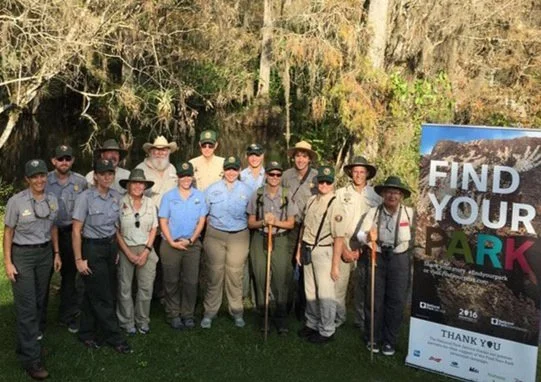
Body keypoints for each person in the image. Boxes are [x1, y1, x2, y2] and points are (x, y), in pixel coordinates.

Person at [3, 159, 61, 380]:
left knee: (40, 302)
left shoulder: (52, 199)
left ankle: (27, 346)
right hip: (23, 256)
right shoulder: (16, 202)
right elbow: (8, 232)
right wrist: (8, 263)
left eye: (42, 175)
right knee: (27, 307)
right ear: (27, 179)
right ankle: (32, 360)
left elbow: (53, 226)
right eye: (34, 176)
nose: (39, 180)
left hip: (44, 254)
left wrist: (56, 253)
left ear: (47, 177)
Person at [73, 158, 132, 353]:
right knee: (104, 296)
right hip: (92, 248)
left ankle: (86, 332)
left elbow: (114, 227)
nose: (107, 177)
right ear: (95, 176)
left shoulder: (115, 197)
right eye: (103, 173)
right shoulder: (85, 198)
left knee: (94, 293)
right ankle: (115, 337)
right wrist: (78, 259)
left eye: (110, 173)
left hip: (109, 248)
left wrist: (114, 249)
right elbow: (76, 231)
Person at [355, 176, 414, 356]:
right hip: (377, 257)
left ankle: (389, 341)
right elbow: (359, 235)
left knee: (395, 301)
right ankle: (372, 336)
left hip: (400, 259)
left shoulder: (410, 214)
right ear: (382, 194)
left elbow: (420, 236)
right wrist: (367, 237)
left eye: (396, 192)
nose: (392, 196)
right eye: (389, 192)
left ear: (401, 195)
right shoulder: (373, 213)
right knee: (374, 299)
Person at [296, 165, 346, 344]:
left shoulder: (336, 204)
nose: (324, 184)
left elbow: (339, 237)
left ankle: (327, 330)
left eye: (328, 182)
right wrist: (298, 249)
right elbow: (304, 227)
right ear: (316, 183)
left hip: (324, 250)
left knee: (325, 292)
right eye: (321, 181)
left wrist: (335, 265)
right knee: (310, 290)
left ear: (332, 183)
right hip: (308, 248)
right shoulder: (311, 201)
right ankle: (312, 323)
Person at [201, 156, 252, 329]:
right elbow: (203, 213)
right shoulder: (211, 189)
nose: (231, 172)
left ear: (239, 171)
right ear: (224, 170)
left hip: (239, 235)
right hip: (215, 234)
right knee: (214, 274)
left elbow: (252, 215)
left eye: (235, 169)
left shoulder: (248, 190)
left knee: (235, 274)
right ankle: (209, 312)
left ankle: (236, 312)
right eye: (228, 169)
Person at [247, 161, 297, 335]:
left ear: (280, 176)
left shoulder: (286, 195)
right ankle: (264, 315)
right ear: (266, 175)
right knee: (261, 277)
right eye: (271, 174)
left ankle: (281, 317)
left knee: (280, 279)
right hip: (260, 238)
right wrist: (263, 222)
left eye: (278, 174)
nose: (274, 177)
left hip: (280, 239)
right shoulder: (257, 195)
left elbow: (291, 223)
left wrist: (276, 222)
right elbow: (251, 222)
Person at [158, 162, 207, 330]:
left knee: (191, 281)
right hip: (171, 243)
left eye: (188, 175)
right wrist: (171, 241)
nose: (186, 179)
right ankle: (173, 313)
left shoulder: (199, 196)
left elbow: (202, 221)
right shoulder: (169, 196)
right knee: (171, 280)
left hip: (191, 245)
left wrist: (192, 240)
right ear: (177, 178)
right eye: (182, 176)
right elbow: (163, 220)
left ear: (192, 177)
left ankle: (188, 314)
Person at [334, 156, 381, 328]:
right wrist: (344, 248)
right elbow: (334, 221)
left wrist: (365, 246)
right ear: (350, 173)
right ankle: (338, 317)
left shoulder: (376, 196)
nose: (359, 175)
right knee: (339, 283)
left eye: (362, 172)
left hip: (366, 245)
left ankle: (361, 320)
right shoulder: (340, 194)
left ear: (367, 173)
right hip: (344, 242)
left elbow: (379, 223)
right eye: (355, 171)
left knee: (364, 286)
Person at [45, 144, 87, 333]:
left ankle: (67, 315)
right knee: (44, 276)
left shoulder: (81, 181)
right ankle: (38, 318)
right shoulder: (44, 180)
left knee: (69, 275)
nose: (64, 162)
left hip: (71, 233)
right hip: (48, 233)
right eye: (60, 159)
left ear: (72, 161)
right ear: (53, 160)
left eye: (67, 159)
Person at [116, 169, 158, 335]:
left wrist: (146, 251)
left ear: (145, 186)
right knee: (124, 287)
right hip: (125, 248)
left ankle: (142, 320)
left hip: (145, 248)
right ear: (128, 185)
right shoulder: (119, 202)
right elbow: (116, 230)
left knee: (145, 288)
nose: (138, 186)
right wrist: (127, 252)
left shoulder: (150, 203)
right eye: (134, 183)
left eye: (141, 183)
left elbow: (154, 228)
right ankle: (127, 322)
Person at [281, 141, 318, 319]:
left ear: (309, 159)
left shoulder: (317, 178)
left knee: (305, 266)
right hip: (290, 226)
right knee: (287, 267)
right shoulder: (285, 176)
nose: (301, 159)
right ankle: (285, 303)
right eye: (298, 156)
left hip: (309, 228)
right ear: (293, 157)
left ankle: (302, 308)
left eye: (304, 156)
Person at [240, 143, 265, 304]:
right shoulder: (240, 175)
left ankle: (259, 297)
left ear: (263, 156)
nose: (254, 158)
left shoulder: (270, 175)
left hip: (263, 223)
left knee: (260, 260)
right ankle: (242, 295)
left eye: (257, 154)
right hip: (244, 221)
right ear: (247, 157)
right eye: (251, 155)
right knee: (243, 259)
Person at [136, 136, 178, 207]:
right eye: (157, 150)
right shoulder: (140, 169)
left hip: (170, 215)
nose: (160, 153)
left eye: (163, 150)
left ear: (168, 152)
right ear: (150, 152)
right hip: (149, 215)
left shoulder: (172, 168)